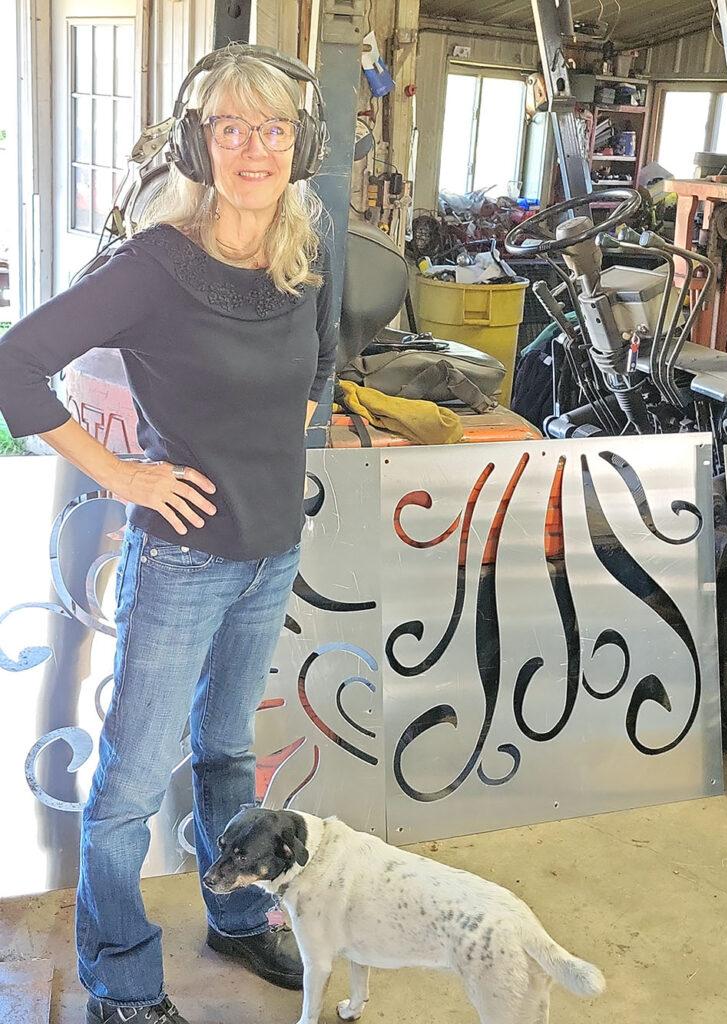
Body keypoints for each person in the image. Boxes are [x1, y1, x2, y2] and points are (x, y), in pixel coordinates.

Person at [0, 44, 335, 1024]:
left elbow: (318, 365)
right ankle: (118, 979)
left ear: (298, 145)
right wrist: (122, 472)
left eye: (271, 128)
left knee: (228, 753)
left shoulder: (305, 256)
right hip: (185, 560)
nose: (252, 148)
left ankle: (234, 918)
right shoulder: (154, 264)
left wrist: (271, 451)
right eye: (229, 127)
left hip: (272, 552)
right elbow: (16, 362)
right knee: (132, 785)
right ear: (200, 142)